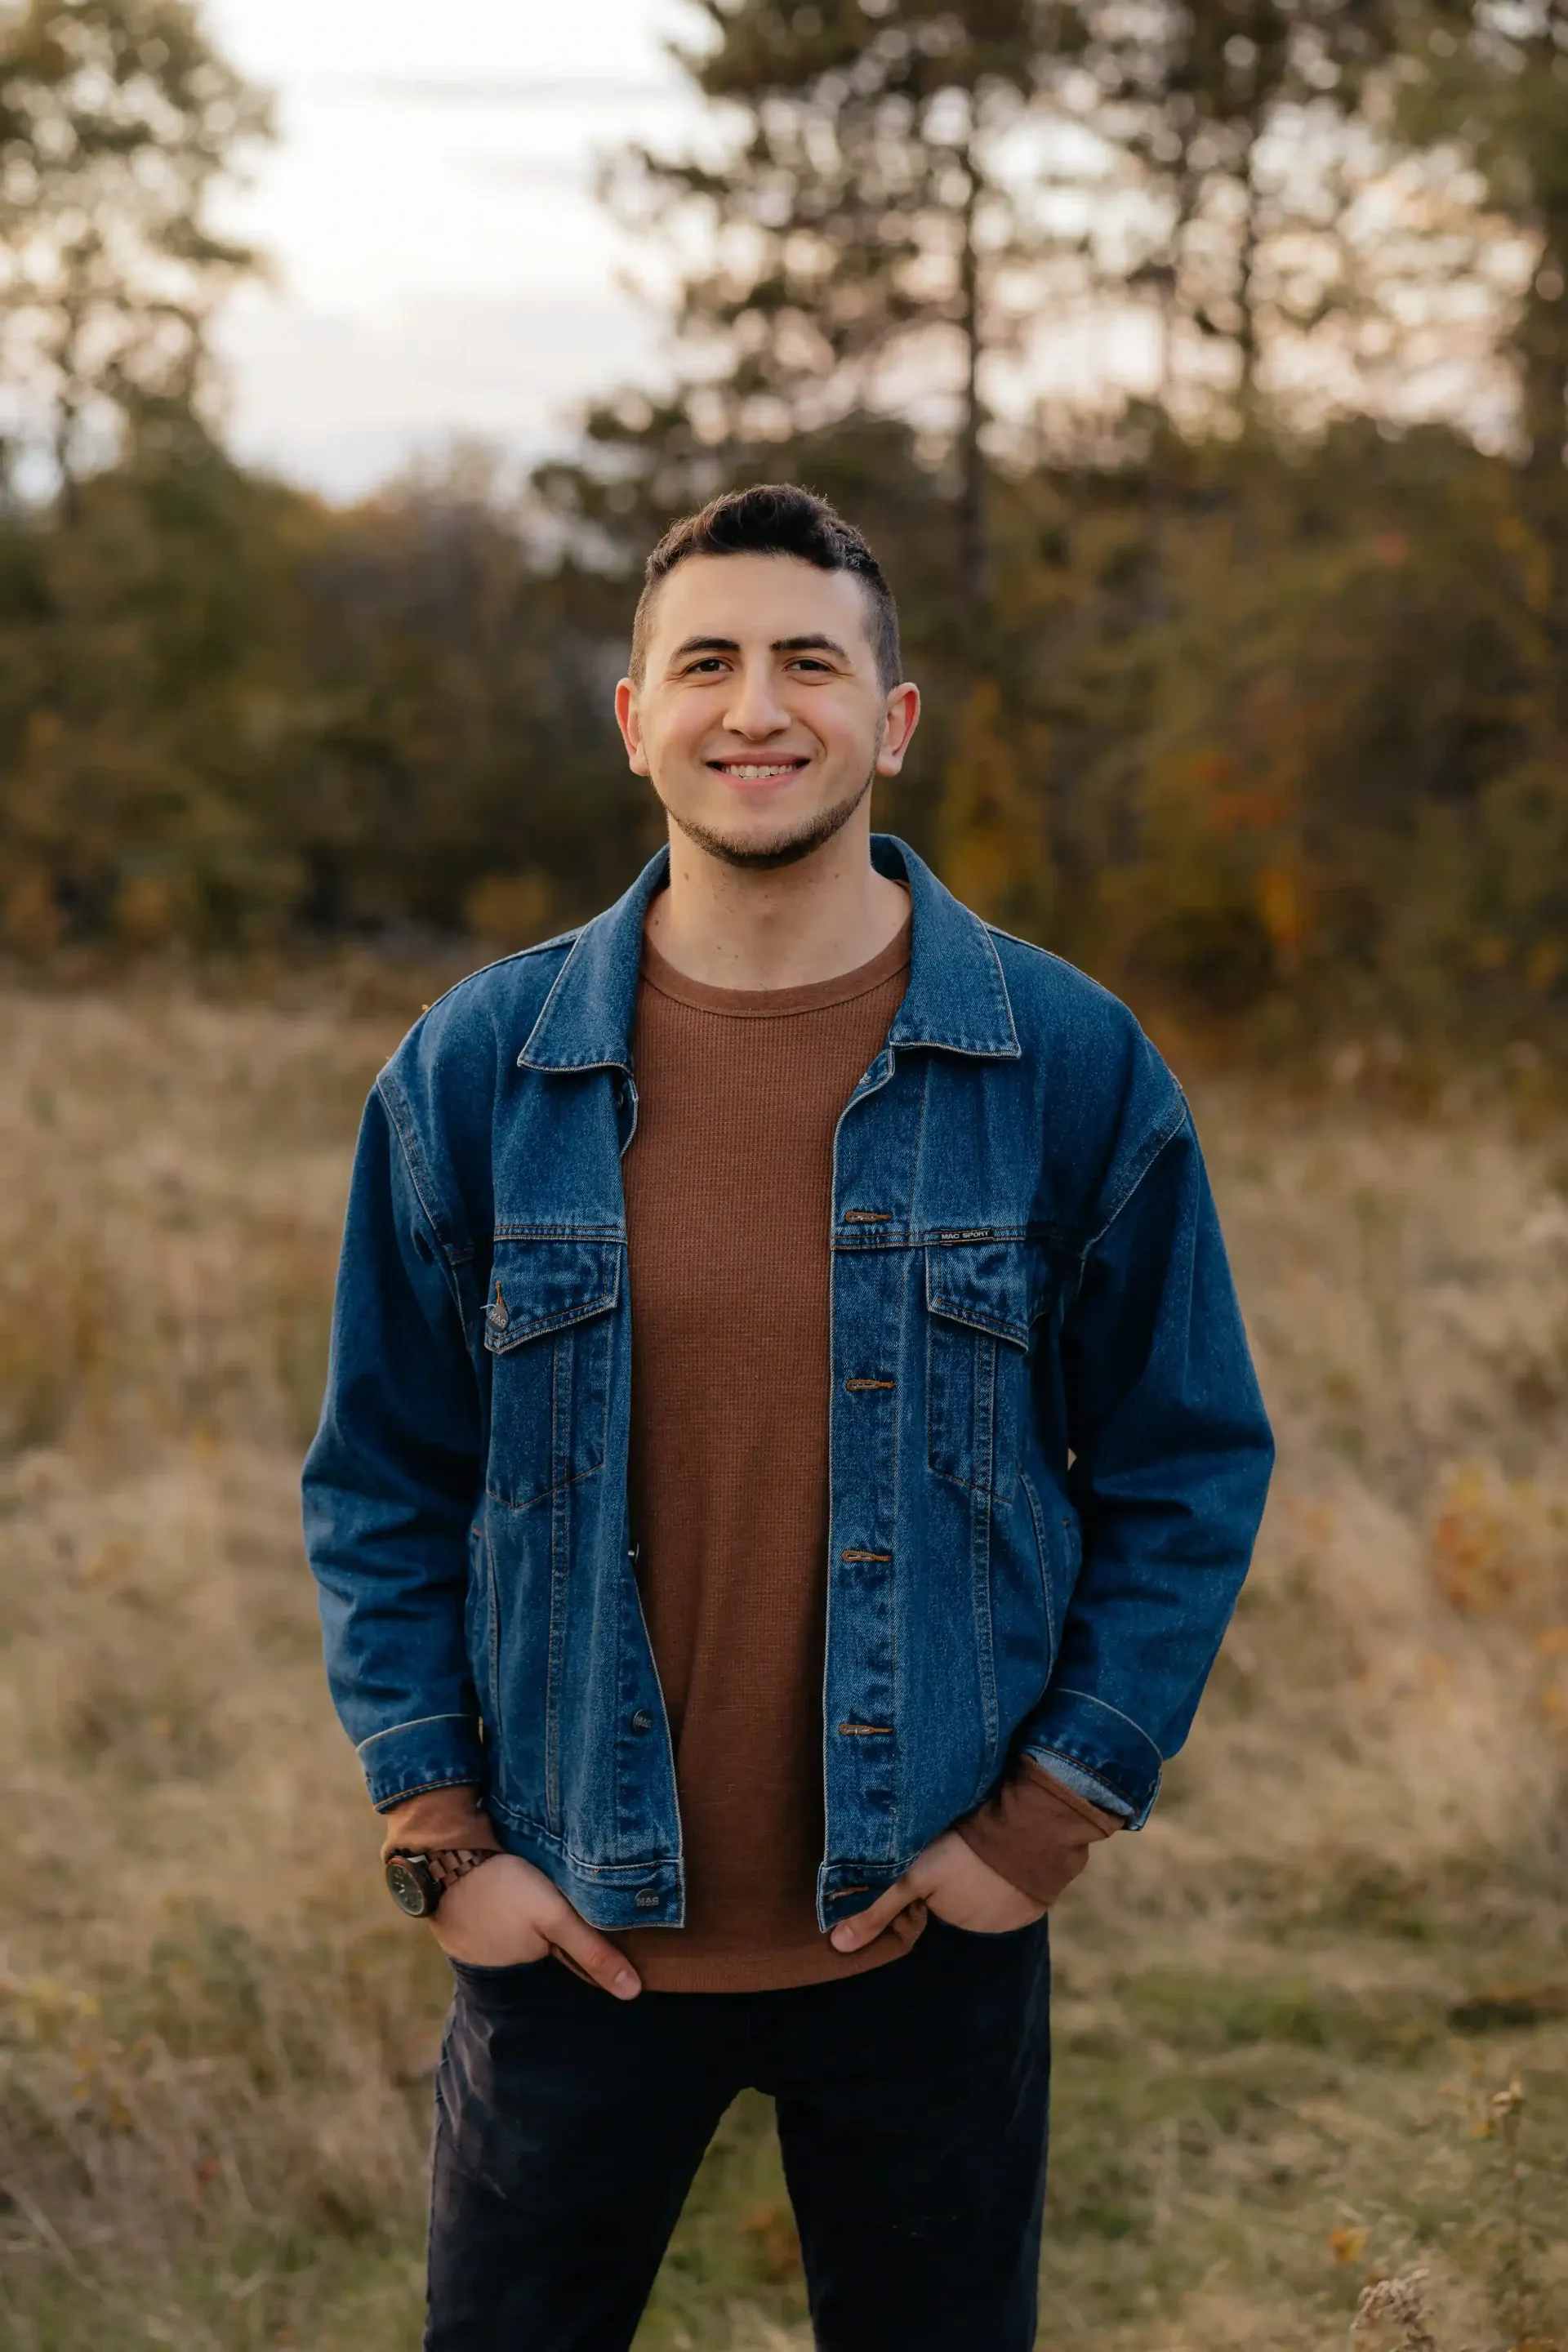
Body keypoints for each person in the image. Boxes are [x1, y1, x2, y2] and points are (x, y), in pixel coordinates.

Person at [302, 483, 1274, 2352]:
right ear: (638, 719)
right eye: (711, 662)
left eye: (811, 661)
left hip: (922, 1933)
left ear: (892, 720)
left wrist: (1044, 1826)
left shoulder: (1068, 1064)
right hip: (572, 1923)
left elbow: (1185, 1462)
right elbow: (382, 1478)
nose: (760, 706)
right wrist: (440, 1836)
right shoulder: (477, 1076)